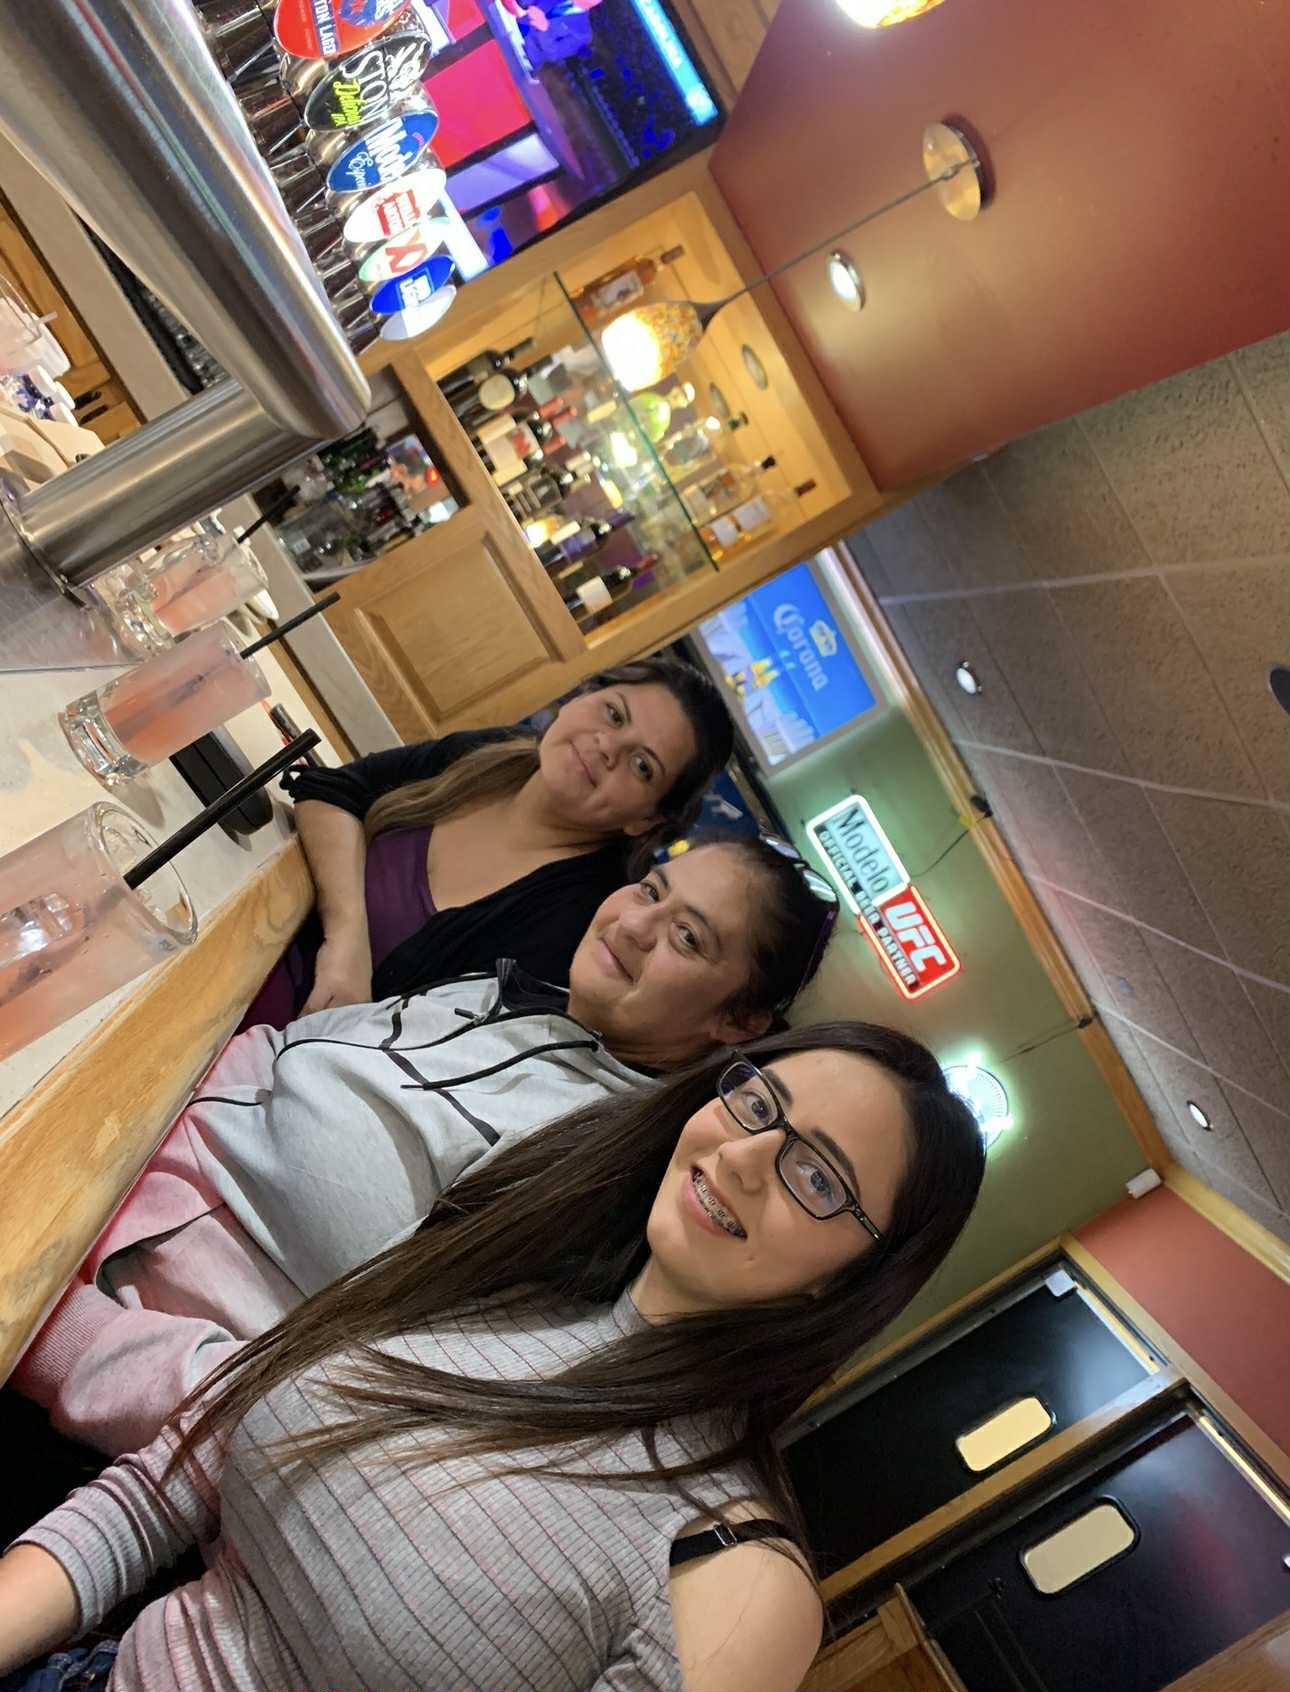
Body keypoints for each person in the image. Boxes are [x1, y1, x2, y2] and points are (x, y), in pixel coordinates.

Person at [0, 1024, 986, 1692]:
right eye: (758, 1104)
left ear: (854, 1281)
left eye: (815, 1175)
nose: (742, 1158)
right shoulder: (505, 1270)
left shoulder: (737, 1577)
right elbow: (158, 1493)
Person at [17, 837, 839, 1457]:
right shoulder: (516, 992)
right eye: (651, 889)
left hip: (74, 1335)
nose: (635, 923)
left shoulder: (588, 1178)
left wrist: (54, 1333)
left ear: (739, 1024)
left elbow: (317, 1408)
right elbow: (277, 1048)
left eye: (689, 938)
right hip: (79, 1168)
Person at [242, 655, 734, 1028]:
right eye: (613, 713)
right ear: (578, 697)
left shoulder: (574, 920)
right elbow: (334, 790)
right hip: (241, 933)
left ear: (645, 821)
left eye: (642, 765)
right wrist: (346, 935)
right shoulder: (493, 756)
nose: (608, 746)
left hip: (262, 1047)